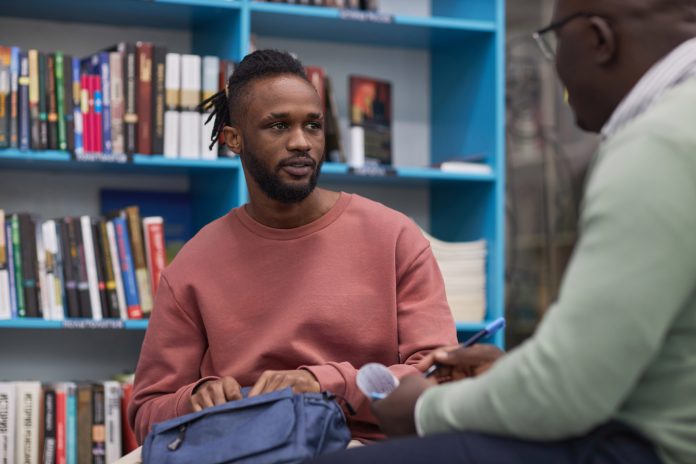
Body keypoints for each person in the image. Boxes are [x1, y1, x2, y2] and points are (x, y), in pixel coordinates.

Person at [308, 0, 696, 463]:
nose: (556, 70)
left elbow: (568, 392)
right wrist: (514, 371)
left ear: (598, 40)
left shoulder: (657, 146)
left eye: (554, 42)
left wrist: (423, 410)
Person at [127, 49, 457, 445]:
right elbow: (147, 411)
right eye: (279, 126)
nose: (301, 142)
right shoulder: (194, 265)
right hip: (242, 448)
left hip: (361, 445)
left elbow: (439, 379)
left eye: (313, 126)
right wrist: (194, 398)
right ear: (234, 139)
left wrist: (323, 383)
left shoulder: (394, 237)